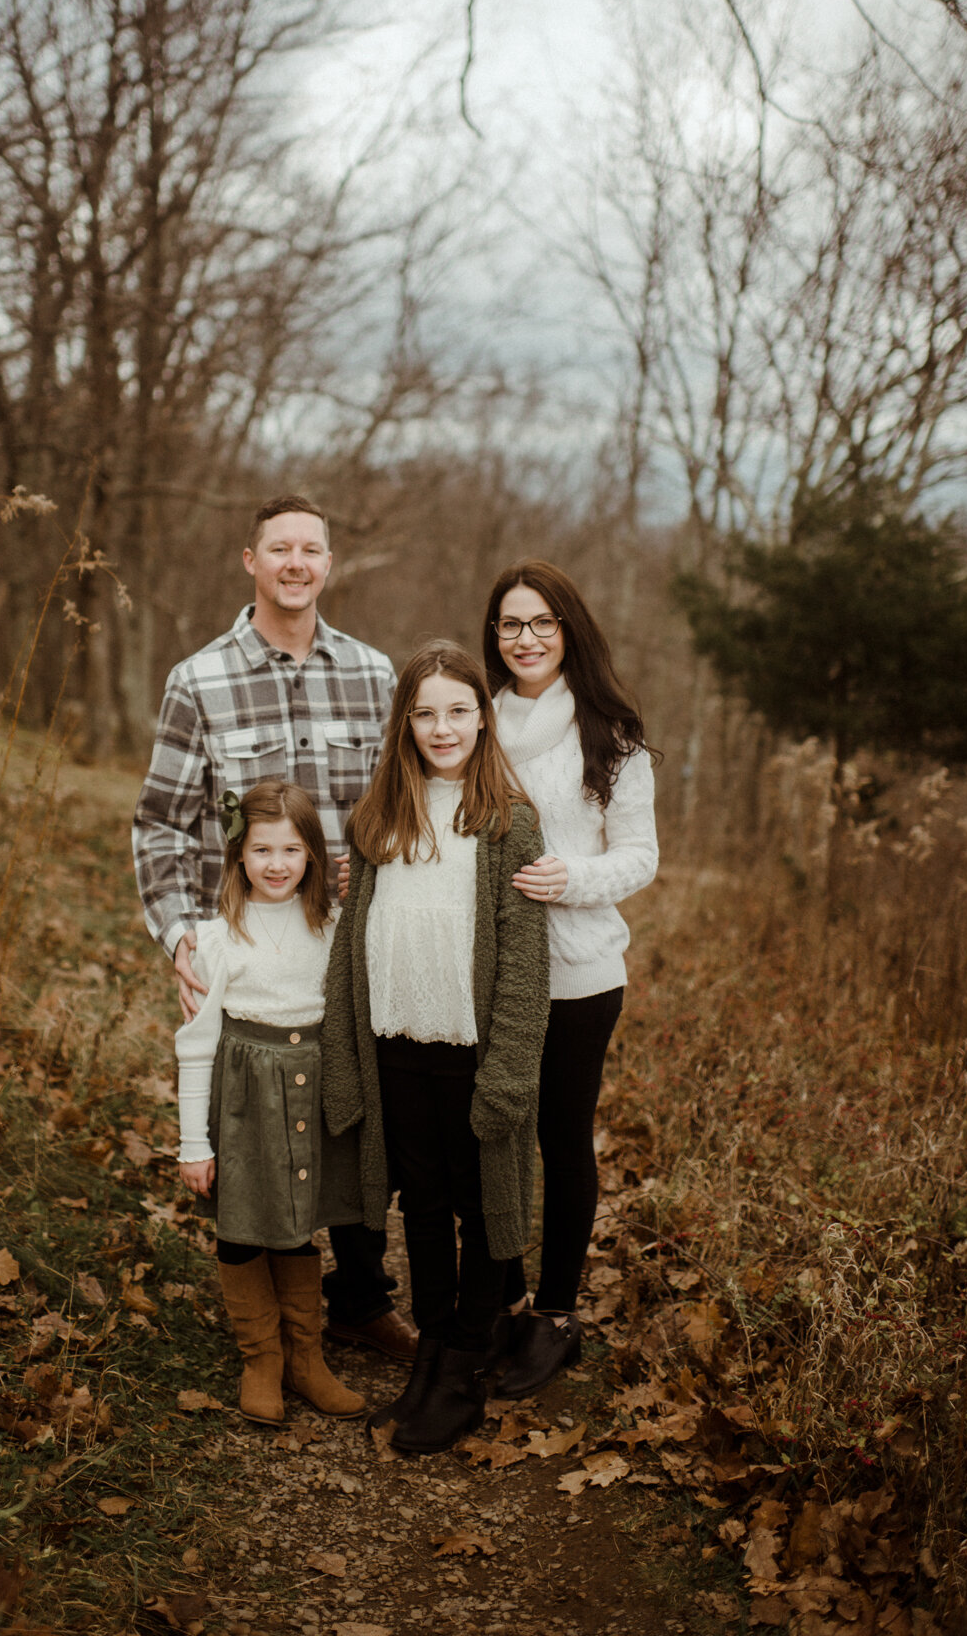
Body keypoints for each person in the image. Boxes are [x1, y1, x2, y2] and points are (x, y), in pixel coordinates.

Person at [132, 494, 416, 1362]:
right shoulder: (200, 679)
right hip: (249, 950)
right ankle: (262, 1319)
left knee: (354, 1113)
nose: (296, 563)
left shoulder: (373, 676)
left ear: (329, 565)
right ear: (249, 560)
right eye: (279, 548)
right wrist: (182, 938)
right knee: (255, 1108)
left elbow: (401, 807)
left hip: (351, 947)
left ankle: (360, 1300)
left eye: (312, 550)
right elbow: (161, 823)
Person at [321, 641, 550, 1455]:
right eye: (424, 713)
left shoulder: (506, 823)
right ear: (404, 723)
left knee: (483, 1208)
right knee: (419, 1204)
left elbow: (523, 965)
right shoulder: (380, 818)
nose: (441, 727)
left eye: (458, 710)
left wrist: (510, 1072)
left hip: (472, 1052)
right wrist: (345, 1048)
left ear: (482, 720)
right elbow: (355, 944)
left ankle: (464, 1364)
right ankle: (432, 1352)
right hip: (395, 1044)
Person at [483, 559, 659, 1396]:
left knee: (560, 1136)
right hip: (484, 975)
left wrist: (572, 878)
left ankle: (555, 1315)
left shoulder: (607, 734)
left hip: (578, 972)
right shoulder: (470, 722)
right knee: (493, 1135)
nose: (525, 639)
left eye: (541, 623)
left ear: (568, 631)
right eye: (511, 625)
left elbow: (639, 855)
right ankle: (497, 1297)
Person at [176, 779, 366, 1426]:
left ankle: (305, 1359)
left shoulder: (333, 927)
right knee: (242, 1225)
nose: (276, 864)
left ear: (313, 854)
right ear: (237, 857)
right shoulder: (215, 938)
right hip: (243, 1095)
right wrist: (192, 1144)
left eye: (291, 849)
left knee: (295, 1224)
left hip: (309, 1087)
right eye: (261, 850)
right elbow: (196, 1044)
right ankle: (261, 1359)